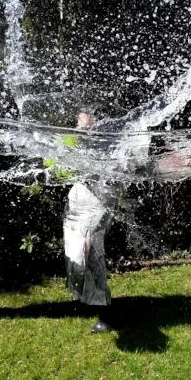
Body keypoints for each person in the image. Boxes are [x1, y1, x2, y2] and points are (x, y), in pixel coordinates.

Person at [62, 108, 122, 333]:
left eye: (90, 127)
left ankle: (105, 314)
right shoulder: (69, 140)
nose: (86, 131)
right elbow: (56, 168)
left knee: (90, 252)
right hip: (79, 200)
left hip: (102, 199)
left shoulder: (111, 142)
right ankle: (90, 299)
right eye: (81, 127)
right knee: (75, 258)